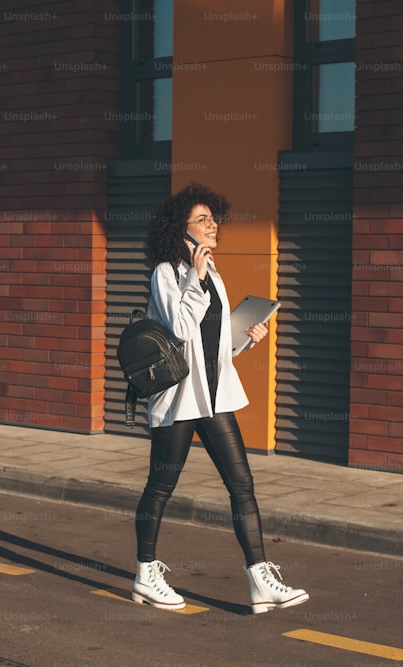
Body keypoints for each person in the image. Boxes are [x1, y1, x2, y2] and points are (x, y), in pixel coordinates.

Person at [130, 182, 309, 615]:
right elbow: (179, 328)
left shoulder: (217, 277)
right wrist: (197, 275)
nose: (214, 226)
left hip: (213, 400)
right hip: (177, 402)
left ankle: (260, 578)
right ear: (182, 231)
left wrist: (247, 338)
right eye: (204, 220)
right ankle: (145, 575)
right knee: (160, 487)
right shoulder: (167, 274)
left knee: (242, 484)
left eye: (214, 218)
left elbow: (215, 345)